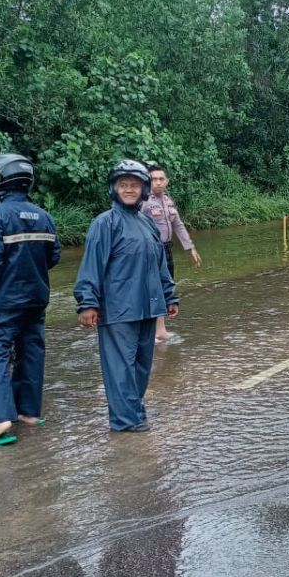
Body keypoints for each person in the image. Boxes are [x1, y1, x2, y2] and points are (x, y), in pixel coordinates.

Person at [74, 160, 179, 432]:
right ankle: (124, 420)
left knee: (143, 365)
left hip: (148, 306)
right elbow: (92, 265)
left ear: (143, 189)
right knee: (120, 367)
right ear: (114, 188)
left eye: (134, 185)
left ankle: (135, 410)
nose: (129, 190)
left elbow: (161, 265)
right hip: (118, 308)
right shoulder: (104, 223)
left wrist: (169, 296)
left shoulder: (147, 223)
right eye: (124, 185)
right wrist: (88, 302)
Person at [0, 154, 60, 446]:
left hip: (4, 300)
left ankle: (1, 420)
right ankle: (29, 413)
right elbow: (53, 257)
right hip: (36, 299)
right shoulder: (43, 215)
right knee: (31, 351)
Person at [141, 165, 201, 342]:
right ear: (147, 181)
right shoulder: (143, 202)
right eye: (154, 179)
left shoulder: (167, 200)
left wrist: (190, 248)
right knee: (151, 289)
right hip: (149, 251)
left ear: (167, 181)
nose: (158, 182)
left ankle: (160, 330)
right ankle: (148, 331)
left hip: (166, 249)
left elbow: (178, 224)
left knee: (165, 288)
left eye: (161, 179)